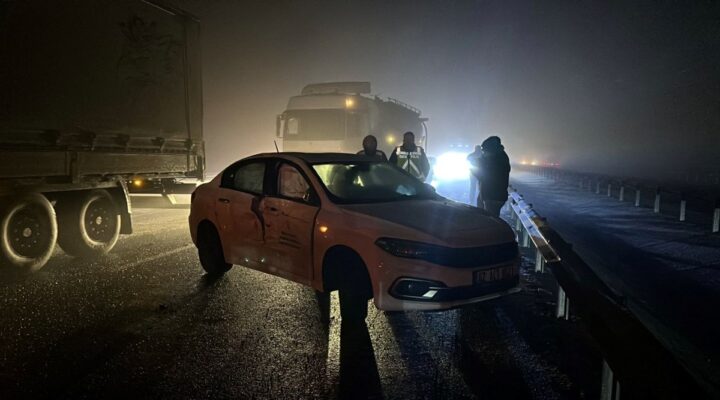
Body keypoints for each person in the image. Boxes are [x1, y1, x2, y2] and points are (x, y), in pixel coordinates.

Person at [478, 136, 510, 217]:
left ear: (491, 150)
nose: (484, 154)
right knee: (488, 221)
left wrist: (476, 168)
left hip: (493, 197)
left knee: (490, 222)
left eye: (485, 151)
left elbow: (485, 177)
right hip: (494, 195)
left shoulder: (497, 161)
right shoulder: (499, 157)